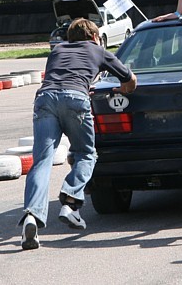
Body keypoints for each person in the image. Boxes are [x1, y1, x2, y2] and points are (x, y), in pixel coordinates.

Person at [19, 18, 137, 250]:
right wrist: (123, 89)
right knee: (85, 154)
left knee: (41, 161)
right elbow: (130, 80)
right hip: (76, 100)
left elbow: (63, 73)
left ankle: (32, 216)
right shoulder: (98, 50)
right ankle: (71, 203)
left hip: (45, 99)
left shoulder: (57, 50)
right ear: (95, 37)